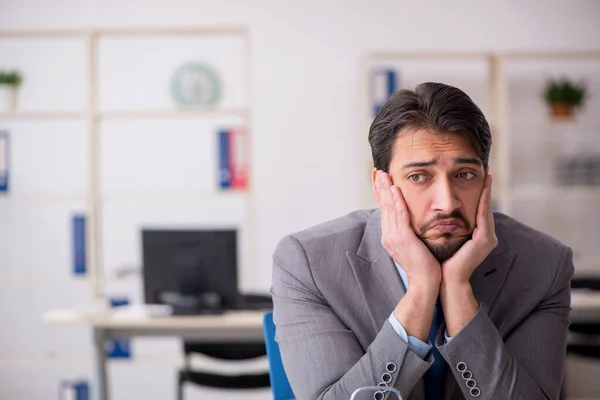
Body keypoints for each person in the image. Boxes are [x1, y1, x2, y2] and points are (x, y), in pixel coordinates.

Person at [271, 82, 574, 400]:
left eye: (465, 174)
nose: (447, 203)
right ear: (382, 186)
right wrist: (420, 290)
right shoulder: (307, 263)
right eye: (419, 176)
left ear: (486, 179)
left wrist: (457, 290)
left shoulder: (545, 264)